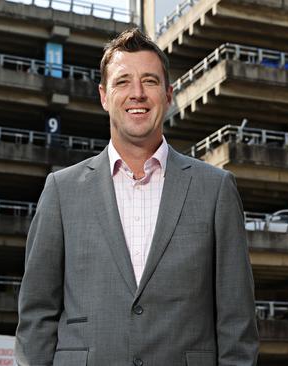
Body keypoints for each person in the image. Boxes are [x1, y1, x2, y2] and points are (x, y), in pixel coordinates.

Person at [15, 28, 258, 366]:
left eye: (150, 81)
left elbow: (238, 322)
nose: (137, 94)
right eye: (122, 81)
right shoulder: (61, 190)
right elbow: (36, 318)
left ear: (169, 94)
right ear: (103, 96)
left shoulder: (216, 190)